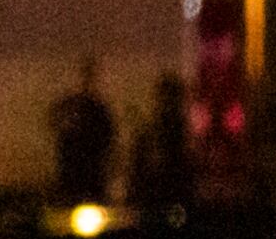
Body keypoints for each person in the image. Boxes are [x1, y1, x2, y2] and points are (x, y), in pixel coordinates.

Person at [48, 59, 116, 204]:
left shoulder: (95, 109)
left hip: (91, 176)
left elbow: (107, 140)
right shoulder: (76, 107)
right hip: (76, 178)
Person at [125, 73, 195, 213]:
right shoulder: (149, 136)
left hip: (164, 203)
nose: (167, 104)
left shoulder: (182, 136)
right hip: (156, 204)